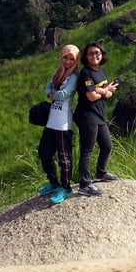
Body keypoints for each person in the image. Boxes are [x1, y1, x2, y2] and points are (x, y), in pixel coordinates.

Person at [74, 41, 120, 196]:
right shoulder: (86, 74)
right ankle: (85, 184)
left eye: (97, 53)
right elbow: (91, 96)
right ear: (86, 57)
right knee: (87, 150)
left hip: (99, 115)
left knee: (107, 145)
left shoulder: (102, 71)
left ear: (102, 55)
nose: (94, 56)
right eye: (91, 53)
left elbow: (108, 94)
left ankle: (101, 173)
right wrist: (103, 90)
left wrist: (103, 90)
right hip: (87, 116)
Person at [38, 44, 80, 204]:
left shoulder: (74, 76)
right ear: (61, 57)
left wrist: (52, 93)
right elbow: (47, 88)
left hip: (63, 123)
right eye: (65, 57)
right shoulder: (58, 73)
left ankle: (66, 187)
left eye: (72, 59)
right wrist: (52, 92)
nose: (68, 61)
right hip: (51, 122)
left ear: (76, 61)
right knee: (44, 153)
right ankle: (53, 182)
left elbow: (64, 94)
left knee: (64, 158)